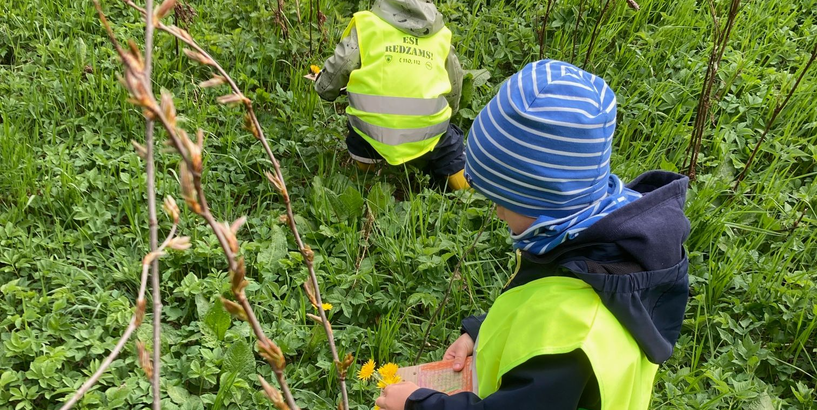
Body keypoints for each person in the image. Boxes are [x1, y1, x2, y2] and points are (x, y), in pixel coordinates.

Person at [375, 60, 691, 409]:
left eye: (504, 202)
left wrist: (418, 404)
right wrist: (480, 334)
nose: (497, 211)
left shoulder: (569, 341)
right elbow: (537, 303)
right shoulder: (594, 238)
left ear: (545, 202)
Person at [313, 0, 469, 190]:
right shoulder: (441, 34)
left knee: (361, 135)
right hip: (429, 131)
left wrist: (324, 88)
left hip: (371, 130)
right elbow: (454, 81)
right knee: (449, 148)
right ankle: (467, 192)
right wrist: (451, 110)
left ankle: (366, 172)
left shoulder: (367, 24)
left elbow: (342, 63)